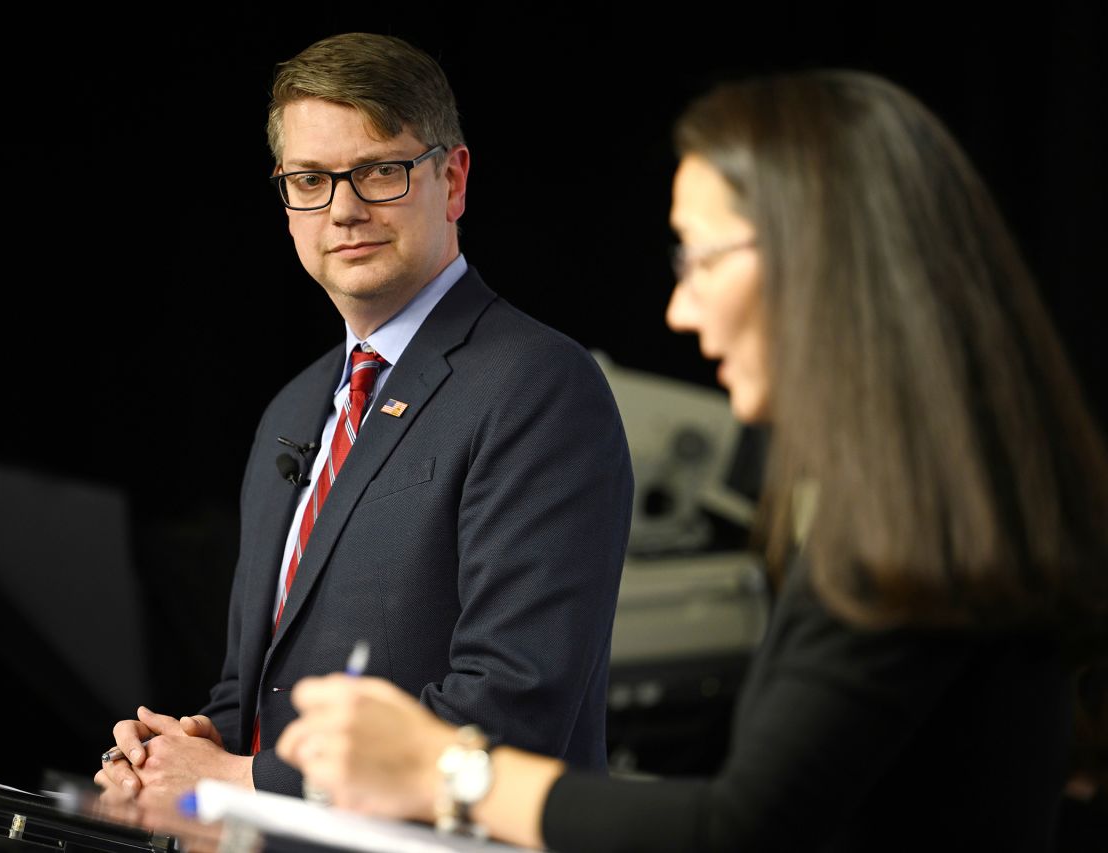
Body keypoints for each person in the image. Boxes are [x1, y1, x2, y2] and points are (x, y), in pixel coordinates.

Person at [274, 68, 1108, 851]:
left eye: (699, 259)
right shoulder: (961, 491)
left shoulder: (919, 520)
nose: (678, 308)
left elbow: (742, 828)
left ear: (818, 258)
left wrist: (439, 768)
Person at [92, 32, 634, 804]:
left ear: (453, 179)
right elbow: (252, 693)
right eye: (310, 180)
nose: (344, 209)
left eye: (380, 171)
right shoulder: (293, 406)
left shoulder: (540, 386)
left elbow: (512, 709)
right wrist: (180, 756)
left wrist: (242, 782)